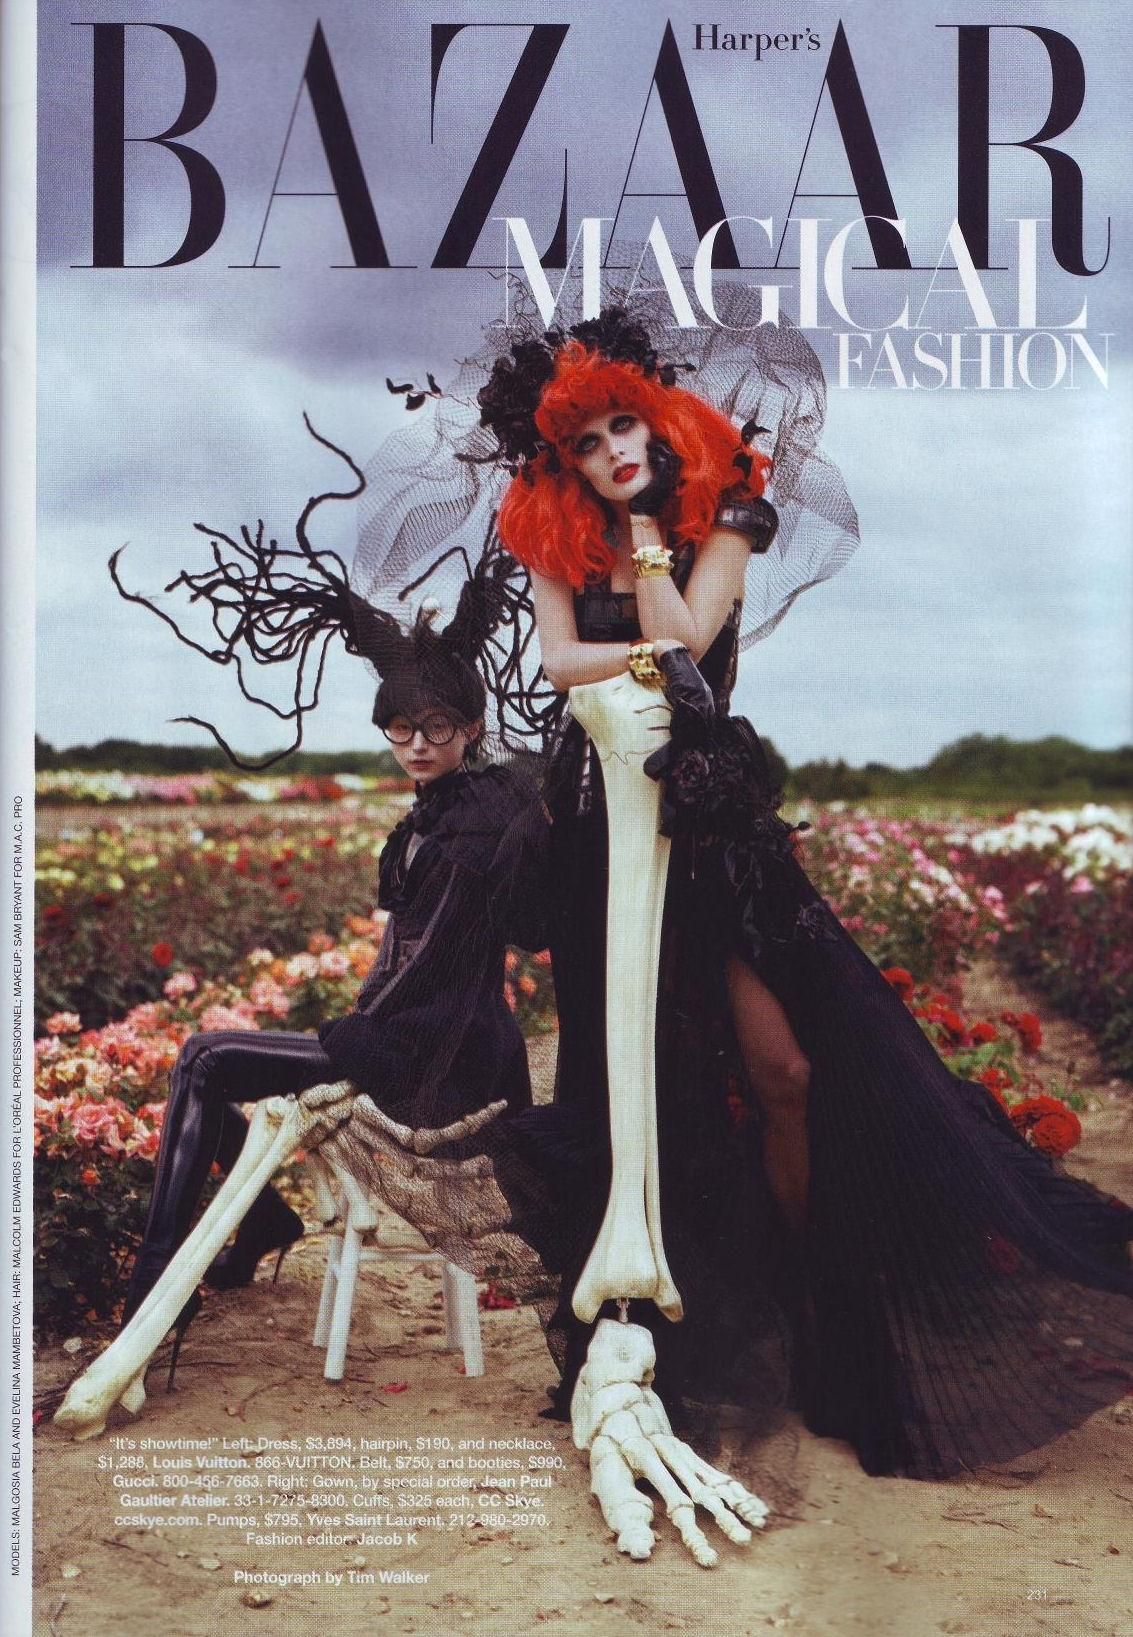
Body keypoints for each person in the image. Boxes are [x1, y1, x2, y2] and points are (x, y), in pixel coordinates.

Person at [471, 306, 1133, 1480]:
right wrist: (628, 623)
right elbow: (557, 660)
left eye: (624, 426)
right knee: (634, 1080)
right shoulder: (552, 533)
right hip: (601, 830)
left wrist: (646, 540)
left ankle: (813, 1312)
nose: (614, 451)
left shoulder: (726, 510)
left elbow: (687, 643)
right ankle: (657, 1335)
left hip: (710, 820)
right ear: (562, 459)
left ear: (655, 420)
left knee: (786, 1068)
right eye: (587, 442)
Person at [117, 540, 553, 1374]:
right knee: (208, 1056)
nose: (416, 743)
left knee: (205, 1056)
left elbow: (437, 963)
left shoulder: (476, 818)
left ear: (472, 729)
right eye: (401, 728)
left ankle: (153, 1292)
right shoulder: (438, 809)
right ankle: (258, 1227)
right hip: (419, 1035)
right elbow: (407, 948)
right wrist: (361, 1020)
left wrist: (356, 1033)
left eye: (437, 727)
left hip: (440, 1055)